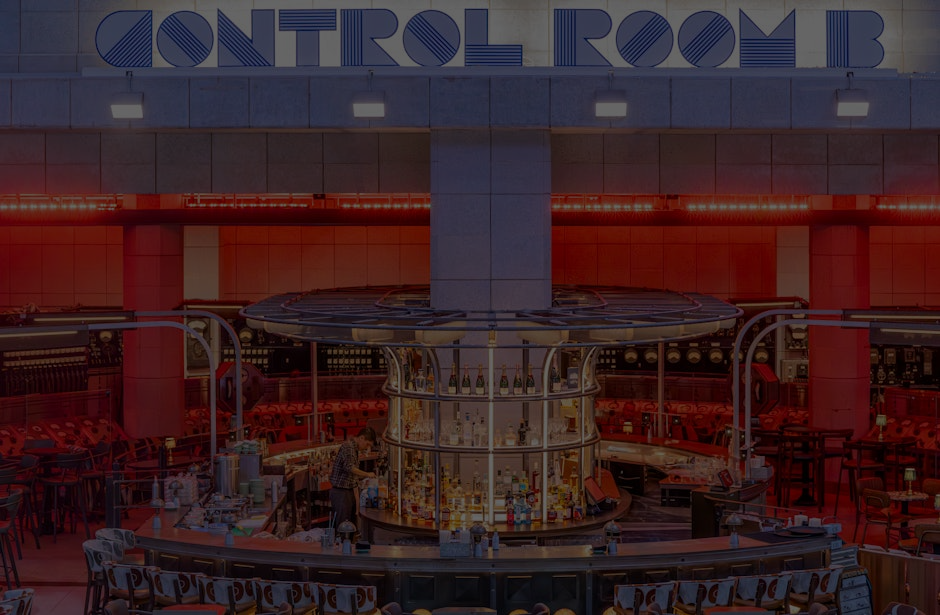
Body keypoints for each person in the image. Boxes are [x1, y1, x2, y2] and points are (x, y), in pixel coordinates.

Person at [328, 426, 377, 529]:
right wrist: (367, 474)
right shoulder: (349, 447)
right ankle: (342, 540)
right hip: (341, 492)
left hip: (347, 492)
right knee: (344, 526)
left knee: (350, 526)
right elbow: (349, 467)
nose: (367, 447)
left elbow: (352, 475)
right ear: (361, 438)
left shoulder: (354, 449)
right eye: (367, 444)